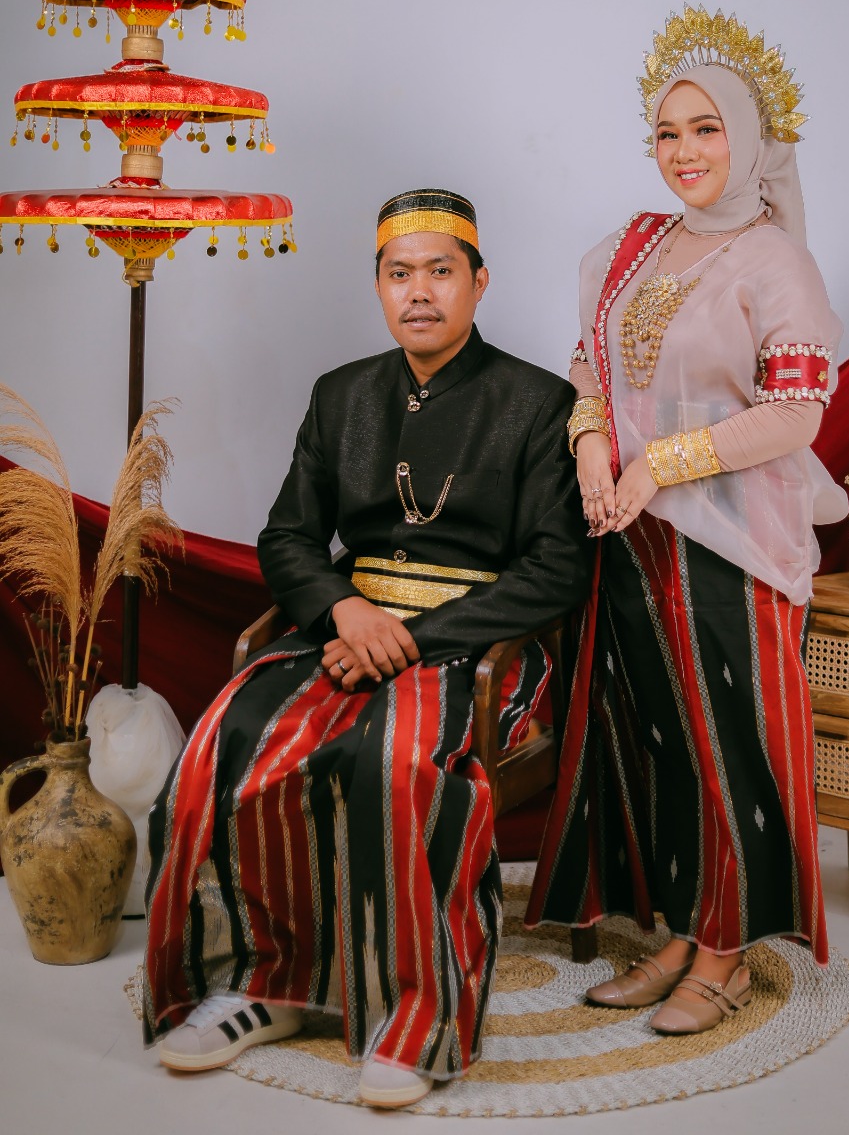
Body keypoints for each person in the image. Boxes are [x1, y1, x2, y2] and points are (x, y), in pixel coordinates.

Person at [142, 188, 589, 1107]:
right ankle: (266, 984)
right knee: (228, 741)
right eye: (399, 274)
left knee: (398, 762)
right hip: (345, 628)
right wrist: (345, 611)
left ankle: (418, 1016)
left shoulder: (539, 401)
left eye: (440, 271)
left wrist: (409, 639)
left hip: (481, 644)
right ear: (378, 287)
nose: (418, 292)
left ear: (479, 283)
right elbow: (287, 538)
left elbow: (556, 572)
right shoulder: (341, 393)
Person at [526, 8, 846, 1033]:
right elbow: (589, 367)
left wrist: (657, 465)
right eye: (667, 133)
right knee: (660, 738)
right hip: (630, 533)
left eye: (706, 129)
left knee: (729, 747)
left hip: (734, 543)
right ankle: (679, 930)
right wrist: (591, 449)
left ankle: (727, 954)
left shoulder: (775, 262)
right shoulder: (632, 248)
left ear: (749, 136)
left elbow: (795, 412)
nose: (685, 152)